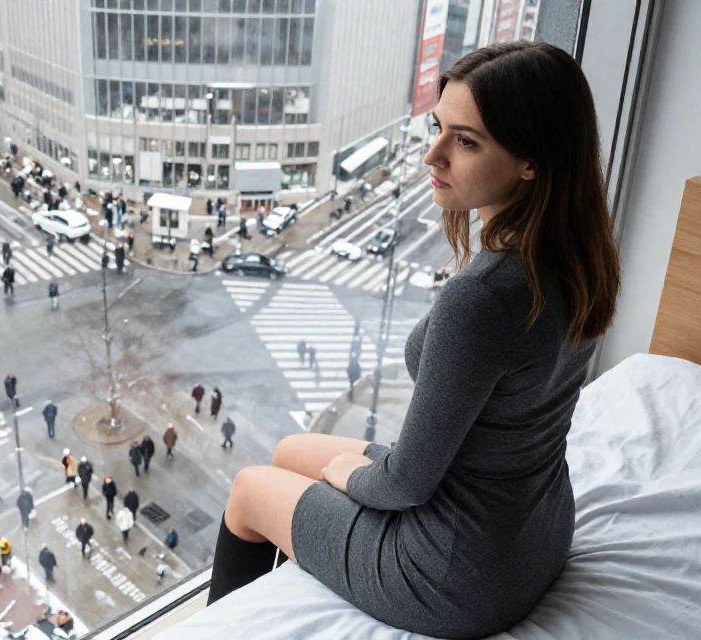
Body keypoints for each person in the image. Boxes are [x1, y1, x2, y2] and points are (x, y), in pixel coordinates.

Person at [204, 42, 623, 640]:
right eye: (438, 128)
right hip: (537, 534)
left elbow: (405, 483)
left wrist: (351, 477)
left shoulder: (485, 296)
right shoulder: (578, 259)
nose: (433, 154)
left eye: (465, 141)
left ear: (531, 162)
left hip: (454, 576)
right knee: (291, 449)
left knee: (249, 490)